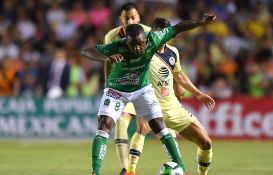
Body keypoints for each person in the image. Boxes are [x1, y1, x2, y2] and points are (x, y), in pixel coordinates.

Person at [81, 13, 216, 175]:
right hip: (117, 90)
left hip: (141, 90)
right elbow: (86, 51)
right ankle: (96, 171)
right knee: (104, 126)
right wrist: (106, 57)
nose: (137, 48)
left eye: (140, 44)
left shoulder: (155, 39)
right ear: (126, 42)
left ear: (146, 39)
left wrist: (201, 22)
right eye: (133, 45)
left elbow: (179, 27)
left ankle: (181, 169)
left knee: (159, 126)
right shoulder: (118, 45)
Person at [125, 17, 215, 175]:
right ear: (152, 33)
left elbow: (178, 75)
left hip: (172, 107)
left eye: (166, 34)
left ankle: (202, 173)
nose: (162, 37)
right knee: (141, 127)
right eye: (159, 34)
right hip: (152, 106)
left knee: (206, 143)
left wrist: (198, 94)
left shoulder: (173, 52)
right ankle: (130, 171)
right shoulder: (143, 51)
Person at [103, 3, 152, 175]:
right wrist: (107, 87)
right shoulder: (111, 36)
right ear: (120, 19)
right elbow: (108, 62)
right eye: (127, 18)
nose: (130, 21)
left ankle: (176, 163)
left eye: (133, 17)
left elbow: (156, 63)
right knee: (121, 122)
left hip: (144, 85)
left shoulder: (149, 33)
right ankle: (125, 169)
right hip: (123, 85)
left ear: (138, 17)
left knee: (149, 126)